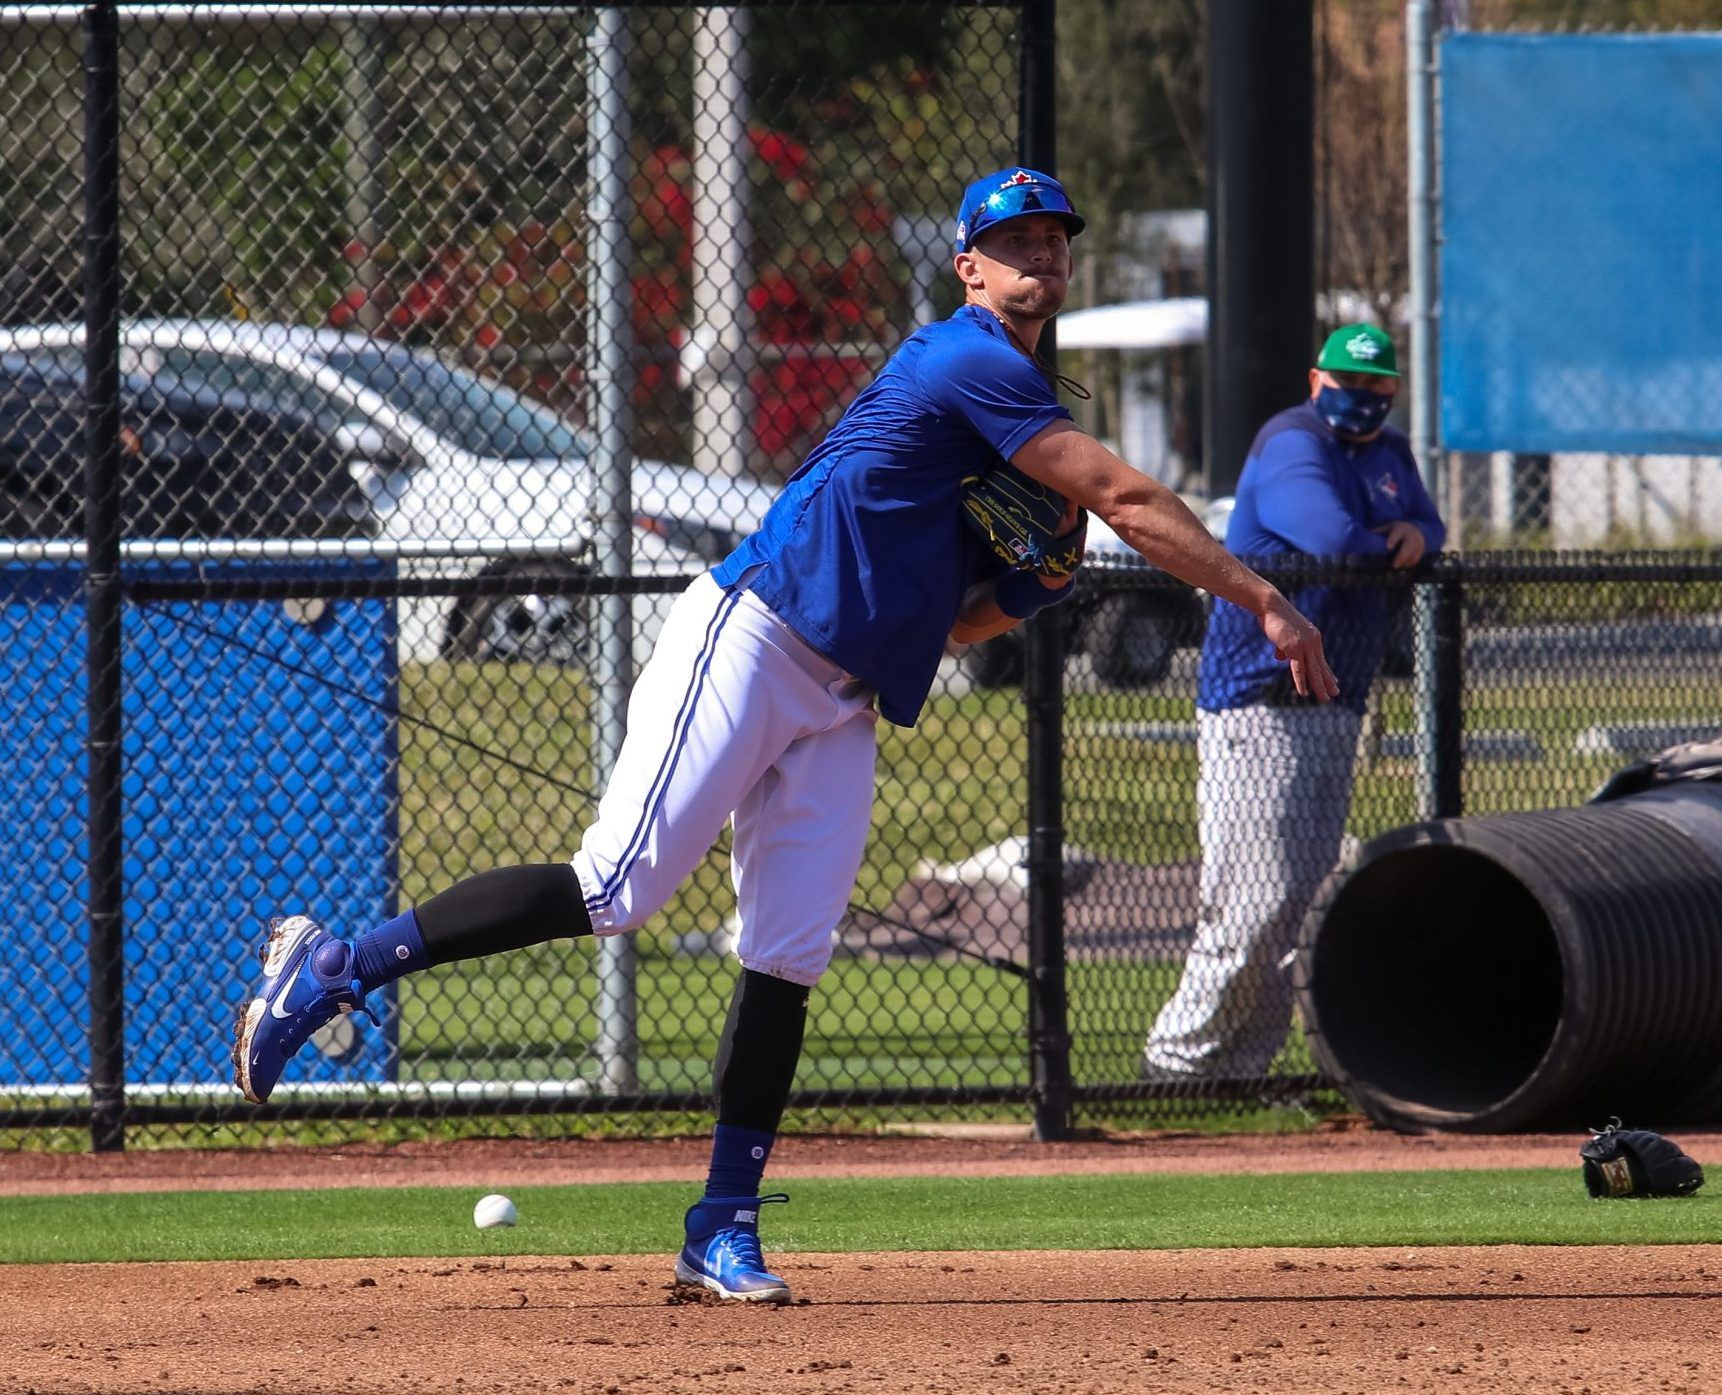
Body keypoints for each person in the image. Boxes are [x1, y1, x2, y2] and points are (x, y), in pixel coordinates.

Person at [231, 167, 1338, 1303]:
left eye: (1054, 242)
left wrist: (1030, 587)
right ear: (968, 266)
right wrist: (1258, 597)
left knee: (785, 959)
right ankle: (334, 964)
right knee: (617, 887)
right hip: (753, 634)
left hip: (842, 697)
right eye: (1014, 240)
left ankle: (720, 1225)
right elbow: (1127, 499)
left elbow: (957, 627)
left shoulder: (1011, 419)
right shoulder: (965, 361)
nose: (1039, 258)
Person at [1143, 322, 1444, 1083]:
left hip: (1335, 695)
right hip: (1259, 696)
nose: (1363, 400)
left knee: (1299, 899)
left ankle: (1242, 1068)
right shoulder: (1291, 440)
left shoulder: (1390, 453)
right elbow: (1329, 536)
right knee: (1253, 892)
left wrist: (1413, 528)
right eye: (1347, 383)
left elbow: (1430, 526)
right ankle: (1176, 1063)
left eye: (1378, 387)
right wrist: (1393, 539)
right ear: (1317, 381)